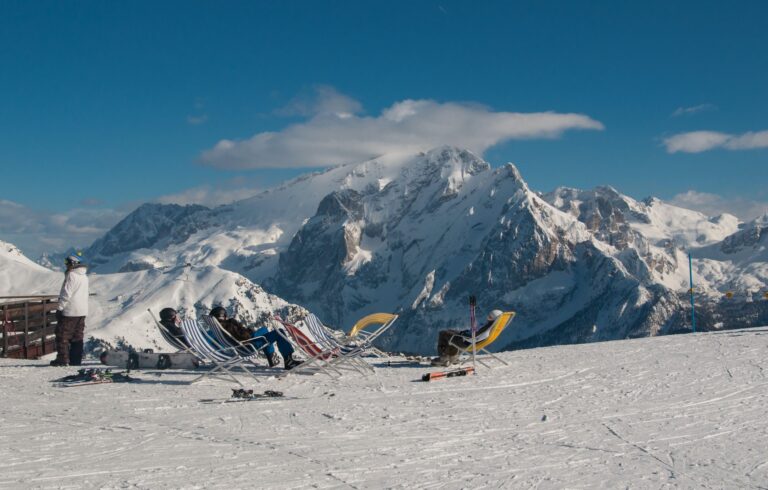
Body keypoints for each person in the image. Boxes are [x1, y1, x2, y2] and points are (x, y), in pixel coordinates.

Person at [210, 306, 302, 370]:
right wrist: (248, 331)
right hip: (249, 345)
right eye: (225, 315)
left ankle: (272, 358)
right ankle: (288, 361)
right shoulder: (228, 325)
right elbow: (243, 335)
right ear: (222, 316)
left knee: (264, 329)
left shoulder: (221, 326)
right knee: (279, 332)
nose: (227, 317)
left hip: (244, 345)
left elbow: (237, 336)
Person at [51, 254, 89, 366]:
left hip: (70, 311)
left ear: (73, 264)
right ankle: (76, 360)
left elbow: (66, 294)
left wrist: (59, 308)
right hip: (82, 311)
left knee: (62, 334)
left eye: (67, 263)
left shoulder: (72, 275)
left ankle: (62, 359)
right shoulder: (84, 276)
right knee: (77, 336)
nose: (66, 265)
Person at [431, 309, 503, 367]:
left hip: (467, 342)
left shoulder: (486, 327)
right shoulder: (492, 327)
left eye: (490, 317)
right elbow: (476, 333)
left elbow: (472, 335)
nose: (488, 318)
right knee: (450, 332)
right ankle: (453, 357)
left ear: (494, 318)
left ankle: (443, 359)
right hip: (474, 340)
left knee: (443, 334)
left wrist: (463, 333)